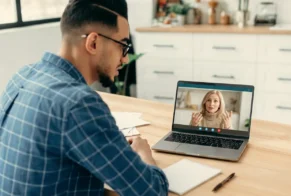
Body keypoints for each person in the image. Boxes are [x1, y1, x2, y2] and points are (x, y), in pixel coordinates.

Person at [0, 0, 169, 195]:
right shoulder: (78, 103)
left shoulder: (22, 76)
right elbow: (151, 191)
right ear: (93, 42)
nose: (124, 58)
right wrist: (143, 154)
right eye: (123, 45)